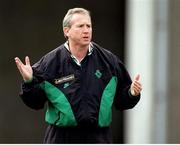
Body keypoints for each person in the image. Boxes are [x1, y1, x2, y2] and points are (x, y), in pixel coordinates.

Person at [14, 7, 142, 143]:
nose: (86, 30)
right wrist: (29, 81)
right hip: (61, 138)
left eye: (89, 26)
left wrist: (132, 93)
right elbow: (35, 102)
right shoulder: (49, 63)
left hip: (99, 137)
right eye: (80, 26)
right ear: (66, 31)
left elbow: (122, 102)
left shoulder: (110, 61)